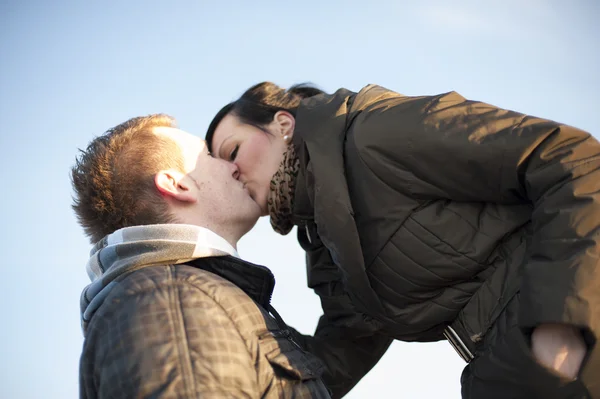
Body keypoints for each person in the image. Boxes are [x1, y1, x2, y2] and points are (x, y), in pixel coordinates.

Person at [206, 82, 600, 398]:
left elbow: (571, 158)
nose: (230, 172)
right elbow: (344, 349)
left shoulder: (370, 130)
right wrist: (230, 350)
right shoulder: (321, 232)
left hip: (575, 335)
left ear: (282, 124)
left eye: (232, 151)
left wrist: (559, 320)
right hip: (503, 371)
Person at [71, 114, 391, 399]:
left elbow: (345, 347)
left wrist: (322, 214)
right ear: (178, 184)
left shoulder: (192, 295)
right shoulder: (173, 301)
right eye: (208, 155)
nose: (233, 166)